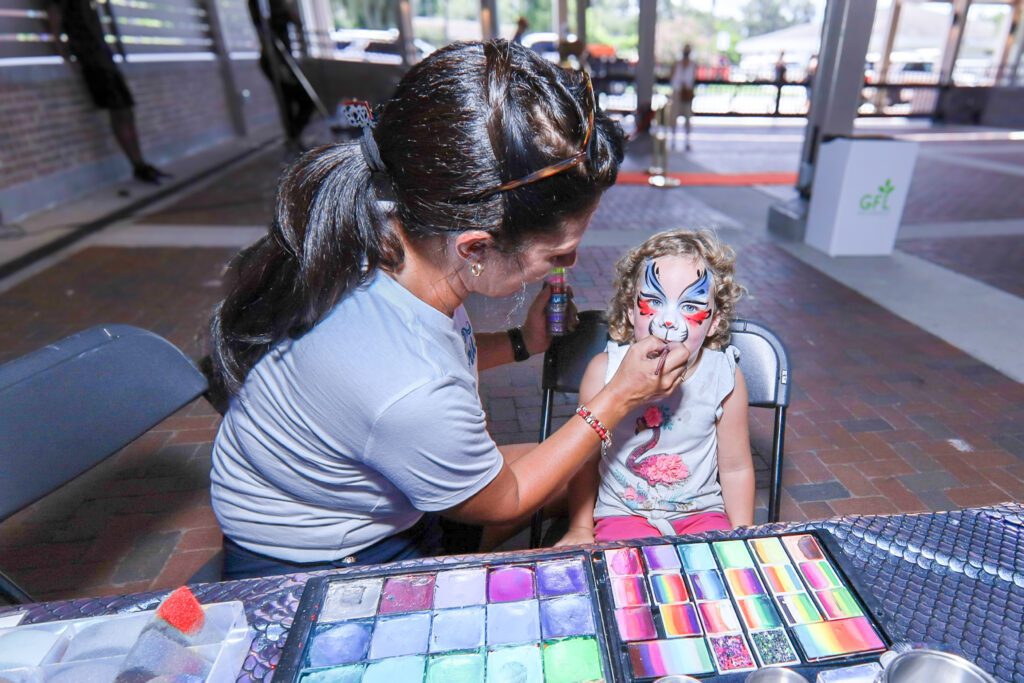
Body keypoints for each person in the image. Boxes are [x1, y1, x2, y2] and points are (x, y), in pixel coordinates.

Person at [207, 40, 693, 579]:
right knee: (568, 474)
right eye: (559, 253)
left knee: (580, 472)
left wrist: (521, 342)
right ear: (476, 247)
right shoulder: (409, 385)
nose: (571, 263)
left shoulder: (394, 228)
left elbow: (430, 363)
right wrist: (619, 397)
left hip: (376, 495)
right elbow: (503, 498)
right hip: (323, 560)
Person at [557, 230, 755, 545]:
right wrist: (580, 528)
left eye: (690, 306)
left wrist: (742, 534)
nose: (667, 321)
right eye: (653, 301)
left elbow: (735, 468)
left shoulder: (724, 377)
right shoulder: (603, 373)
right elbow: (585, 461)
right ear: (630, 310)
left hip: (701, 513)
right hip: (623, 513)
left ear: (714, 321)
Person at [47, 0, 168, 183]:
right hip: (91, 58)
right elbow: (54, 15)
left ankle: (140, 164)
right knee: (119, 109)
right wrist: (63, 52)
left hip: (103, 55)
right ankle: (138, 165)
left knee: (126, 109)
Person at [247, 0, 315, 147]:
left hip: (284, 60)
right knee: (289, 101)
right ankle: (293, 137)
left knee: (300, 101)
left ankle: (293, 136)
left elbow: (297, 22)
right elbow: (262, 26)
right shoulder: (265, 7)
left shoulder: (279, 8)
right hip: (275, 61)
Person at [669, 44, 697, 151]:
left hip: (687, 93)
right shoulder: (676, 64)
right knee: (674, 117)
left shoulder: (693, 65)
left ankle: (687, 141)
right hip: (677, 92)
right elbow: (672, 78)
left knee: (688, 117)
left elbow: (692, 79)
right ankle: (673, 140)